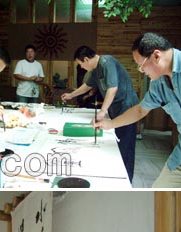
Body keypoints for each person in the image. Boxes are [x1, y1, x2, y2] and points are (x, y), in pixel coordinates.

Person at [93, 33, 181, 188]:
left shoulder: (107, 62)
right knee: (160, 189)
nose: (141, 71)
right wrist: (109, 124)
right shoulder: (159, 83)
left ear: (156, 55)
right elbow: (140, 110)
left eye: (141, 65)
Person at [62, 45, 138, 183]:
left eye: (81, 64)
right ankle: (117, 176)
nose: (82, 67)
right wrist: (71, 95)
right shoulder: (95, 70)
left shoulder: (107, 62)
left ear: (86, 59)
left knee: (126, 148)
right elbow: (87, 86)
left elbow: (112, 88)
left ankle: (126, 182)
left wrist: (102, 111)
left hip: (127, 109)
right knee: (118, 146)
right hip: (116, 110)